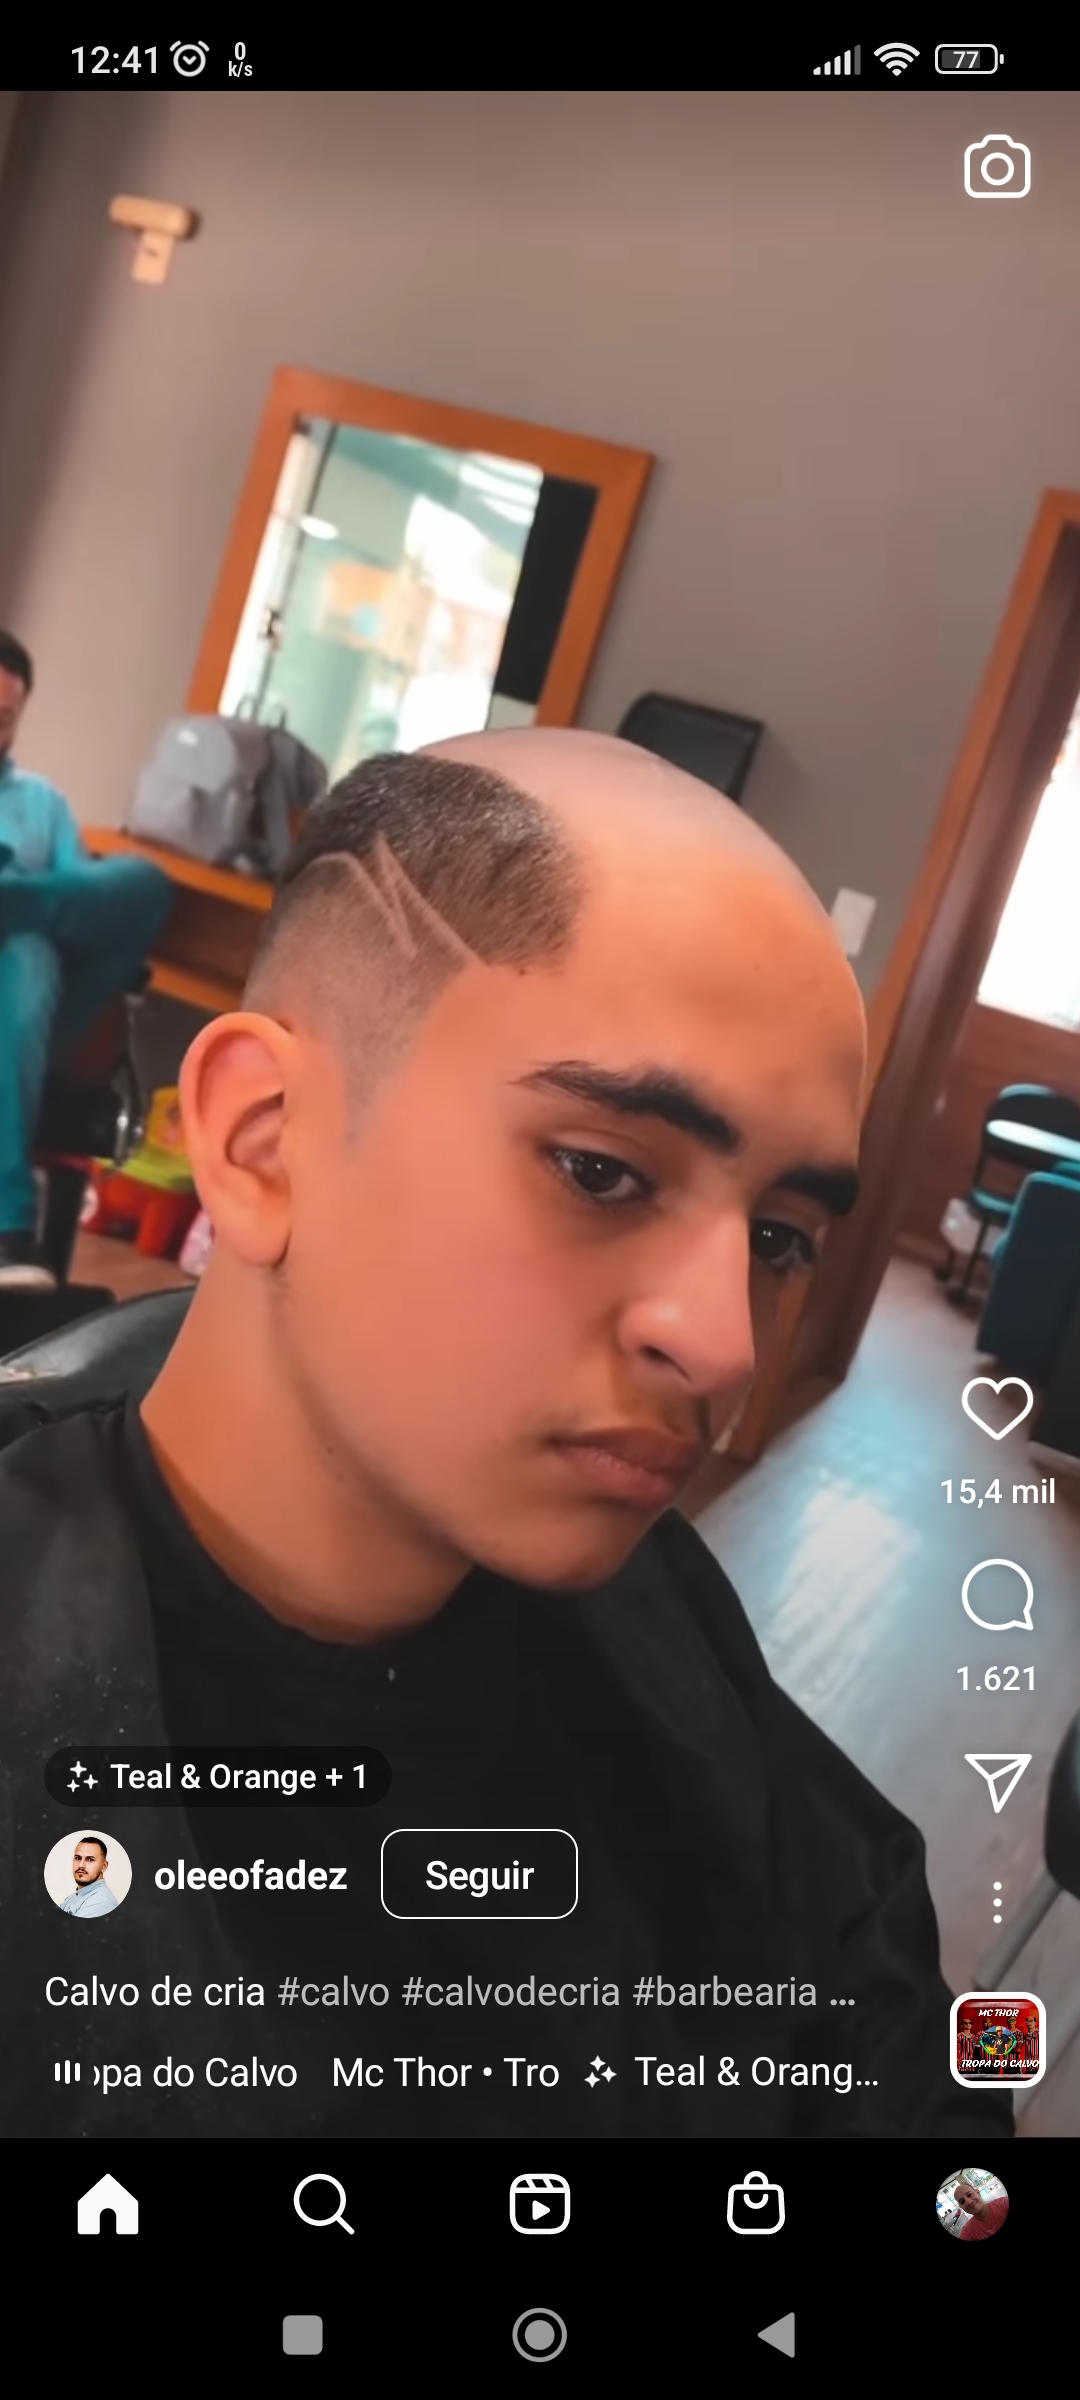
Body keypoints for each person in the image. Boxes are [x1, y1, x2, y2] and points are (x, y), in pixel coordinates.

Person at [0, 729, 1015, 2140]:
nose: (724, 1342)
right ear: (261, 1139)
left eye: (779, 1238)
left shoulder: (654, 1603)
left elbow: (875, 2007)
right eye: (602, 1172)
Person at [0, 630, 174, 1286]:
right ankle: (7, 1229)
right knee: (31, 954)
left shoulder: (40, 803)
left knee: (141, 885)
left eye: (5, 717)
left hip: (38, 1020)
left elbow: (93, 916)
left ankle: (11, 903)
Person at [58, 1835, 119, 1917]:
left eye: (90, 1859)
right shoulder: (73, 1898)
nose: (81, 1865)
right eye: (78, 1858)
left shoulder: (100, 1900)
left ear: (104, 1866)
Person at [954, 2175, 1009, 2239]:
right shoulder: (968, 2231)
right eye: (962, 2201)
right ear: (961, 2207)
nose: (968, 2202)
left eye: (969, 2195)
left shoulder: (1003, 2204)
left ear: (978, 2192)